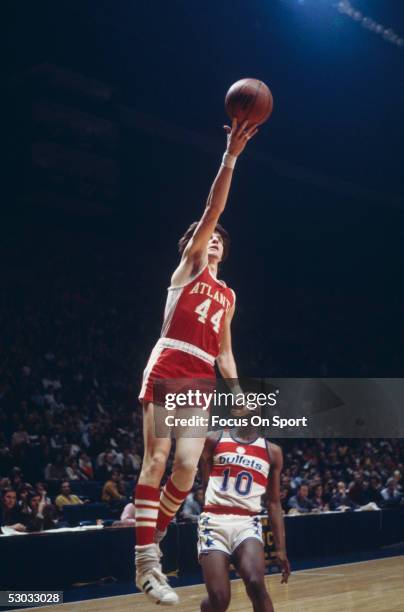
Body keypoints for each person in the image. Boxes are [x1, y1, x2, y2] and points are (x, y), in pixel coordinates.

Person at [134, 118, 259, 604]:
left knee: (186, 471)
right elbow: (214, 207)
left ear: (225, 252)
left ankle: (153, 532)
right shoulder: (187, 270)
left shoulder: (228, 295)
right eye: (205, 236)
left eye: (219, 240)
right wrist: (231, 154)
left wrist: (240, 397)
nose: (212, 240)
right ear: (193, 244)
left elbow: (225, 353)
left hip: (202, 377)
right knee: (158, 459)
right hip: (170, 364)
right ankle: (146, 564)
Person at [197, 423, 290, 612]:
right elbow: (205, 482)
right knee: (219, 598)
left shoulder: (272, 451)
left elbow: (273, 502)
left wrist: (281, 549)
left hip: (247, 522)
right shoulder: (213, 439)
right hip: (214, 521)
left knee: (256, 584)